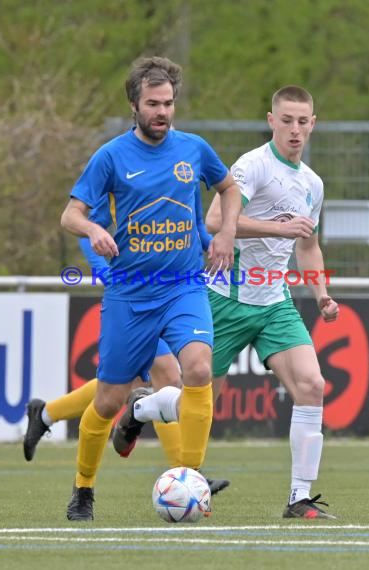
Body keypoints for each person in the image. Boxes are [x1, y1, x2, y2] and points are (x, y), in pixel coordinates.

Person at [114, 85, 339, 520]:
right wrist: (279, 229)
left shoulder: (313, 183)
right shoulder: (253, 167)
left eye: (303, 121)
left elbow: (308, 246)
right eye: (286, 120)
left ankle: (299, 498)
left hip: (275, 303)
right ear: (272, 121)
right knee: (198, 404)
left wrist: (322, 294)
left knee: (312, 386)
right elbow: (215, 221)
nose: (295, 129)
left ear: (313, 124)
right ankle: (142, 407)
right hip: (224, 299)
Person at [59, 56, 241, 520]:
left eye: (169, 103)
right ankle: (83, 489)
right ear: (134, 106)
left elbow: (229, 189)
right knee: (107, 400)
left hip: (183, 285)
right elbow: (70, 214)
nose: (163, 111)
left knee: (198, 368)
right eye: (153, 104)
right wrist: (92, 231)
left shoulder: (195, 149)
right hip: (131, 295)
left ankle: (192, 478)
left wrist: (224, 234)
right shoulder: (111, 156)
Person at [23, 190, 229, 495]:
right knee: (161, 379)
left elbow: (188, 226)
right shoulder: (117, 178)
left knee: (128, 384)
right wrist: (114, 277)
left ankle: (45, 414)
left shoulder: (165, 179)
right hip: (133, 301)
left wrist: (209, 245)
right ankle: (186, 476)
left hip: (169, 294)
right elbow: (87, 232)